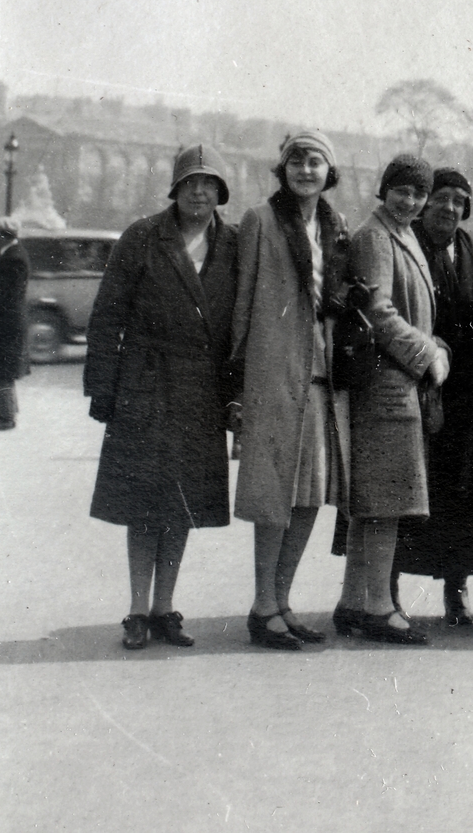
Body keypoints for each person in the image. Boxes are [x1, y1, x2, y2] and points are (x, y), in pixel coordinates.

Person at [83, 145, 238, 649]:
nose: (199, 191)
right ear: (175, 188)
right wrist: (103, 389)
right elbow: (107, 317)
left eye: (209, 183)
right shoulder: (142, 237)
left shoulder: (232, 244)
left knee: (183, 504)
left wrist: (235, 396)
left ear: (220, 192)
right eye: (190, 182)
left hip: (202, 391)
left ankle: (164, 607)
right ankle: (135, 611)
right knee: (144, 503)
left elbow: (241, 328)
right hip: (145, 386)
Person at [230, 130, 351, 651]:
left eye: (316, 162)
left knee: (310, 496)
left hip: (322, 377)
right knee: (274, 493)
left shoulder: (334, 225)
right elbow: (241, 305)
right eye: (297, 161)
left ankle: (281, 600)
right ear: (283, 169)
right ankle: (262, 604)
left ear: (330, 172)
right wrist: (236, 383)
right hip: (274, 375)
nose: (306, 170)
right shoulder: (260, 220)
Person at [332, 154, 448, 646]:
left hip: (395, 384)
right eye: (402, 190)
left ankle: (356, 601)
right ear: (385, 191)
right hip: (385, 384)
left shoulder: (398, 234)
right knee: (383, 502)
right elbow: (377, 311)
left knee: (375, 502)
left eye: (419, 193)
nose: (411, 200)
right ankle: (377, 605)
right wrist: (429, 353)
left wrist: (430, 350)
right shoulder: (377, 236)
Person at [394, 167, 473, 626]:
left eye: (458, 201)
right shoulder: (404, 242)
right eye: (440, 198)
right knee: (401, 492)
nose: (448, 208)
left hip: (461, 395)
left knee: (459, 498)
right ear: (424, 201)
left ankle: (457, 590)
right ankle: (386, 588)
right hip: (411, 382)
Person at [0, 217, 30, 431]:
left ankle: (6, 418)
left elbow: (6, 295)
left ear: (1, 235)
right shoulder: (9, 254)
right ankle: (9, 412)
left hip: (6, 323)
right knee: (2, 369)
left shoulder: (13, 258)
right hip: (7, 322)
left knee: (1, 371)